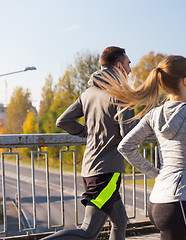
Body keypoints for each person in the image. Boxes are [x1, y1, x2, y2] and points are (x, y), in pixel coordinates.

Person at [95, 55, 186, 240]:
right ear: (185, 81)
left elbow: (125, 147)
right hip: (177, 204)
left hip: (156, 204)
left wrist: (155, 173)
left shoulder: (154, 115)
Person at [42, 46, 135, 240]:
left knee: (120, 222)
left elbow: (63, 121)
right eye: (128, 64)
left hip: (90, 169)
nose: (130, 70)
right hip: (107, 173)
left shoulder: (87, 94)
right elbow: (130, 134)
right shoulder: (122, 94)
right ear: (119, 66)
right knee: (88, 231)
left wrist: (88, 132)